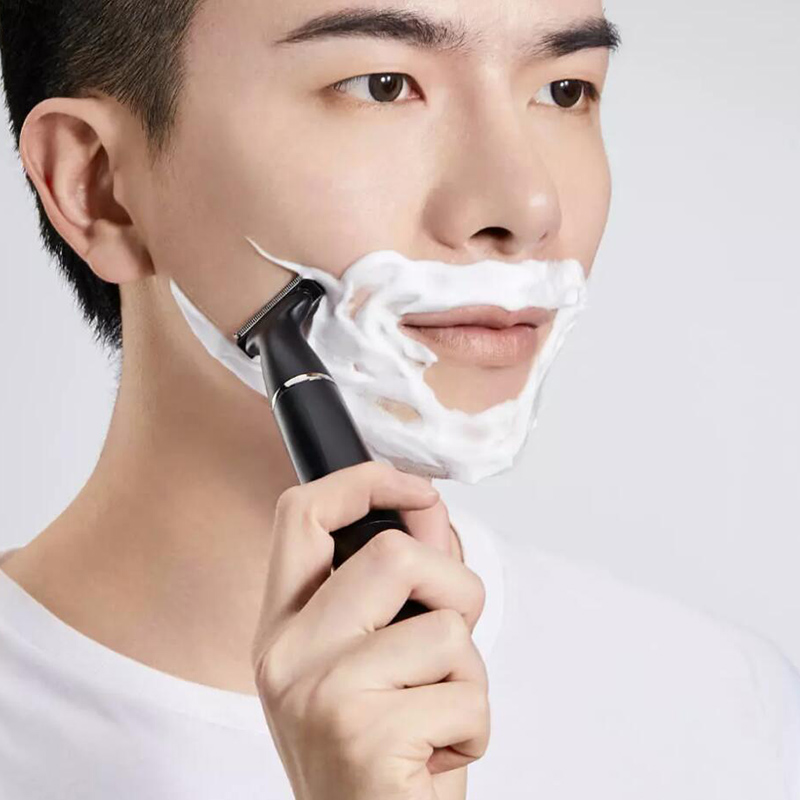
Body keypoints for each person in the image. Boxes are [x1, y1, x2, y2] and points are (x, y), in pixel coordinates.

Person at [0, 0, 798, 798]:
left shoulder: (727, 715)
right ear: (97, 185)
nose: (528, 208)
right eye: (382, 86)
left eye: (564, 91)